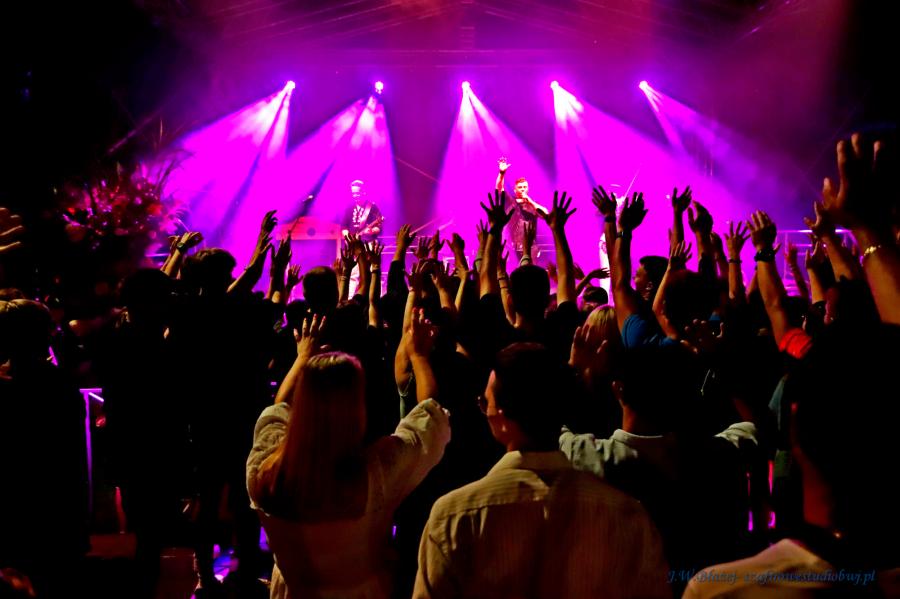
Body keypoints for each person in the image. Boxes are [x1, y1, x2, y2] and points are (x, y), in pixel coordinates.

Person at [413, 342, 670, 599]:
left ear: (503, 417)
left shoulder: (453, 517)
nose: (484, 409)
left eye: (485, 402)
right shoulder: (628, 517)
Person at [246, 311, 450, 599]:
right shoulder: (375, 476)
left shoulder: (263, 471)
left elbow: (276, 412)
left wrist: (302, 359)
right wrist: (418, 356)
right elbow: (429, 418)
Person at [495, 158, 548, 260]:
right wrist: (502, 173)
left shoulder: (533, 204)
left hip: (530, 247)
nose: (523, 189)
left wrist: (530, 201)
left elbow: (546, 215)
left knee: (529, 269)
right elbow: (499, 189)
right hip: (511, 247)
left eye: (525, 187)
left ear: (528, 189)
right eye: (520, 187)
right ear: (515, 190)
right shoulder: (510, 201)